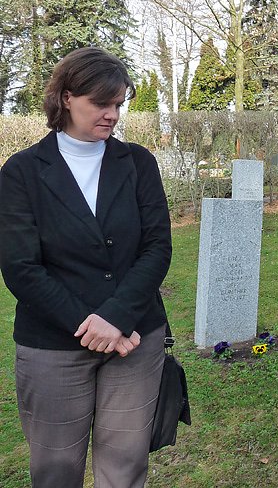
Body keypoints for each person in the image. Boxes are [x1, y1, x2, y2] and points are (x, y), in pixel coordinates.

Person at [0, 47, 172, 487]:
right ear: (66, 97)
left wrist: (117, 317)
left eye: (119, 104)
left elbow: (157, 247)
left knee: (124, 470)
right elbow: (21, 267)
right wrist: (92, 325)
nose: (112, 115)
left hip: (134, 339)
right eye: (101, 103)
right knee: (55, 472)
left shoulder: (138, 163)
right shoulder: (21, 172)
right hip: (53, 345)